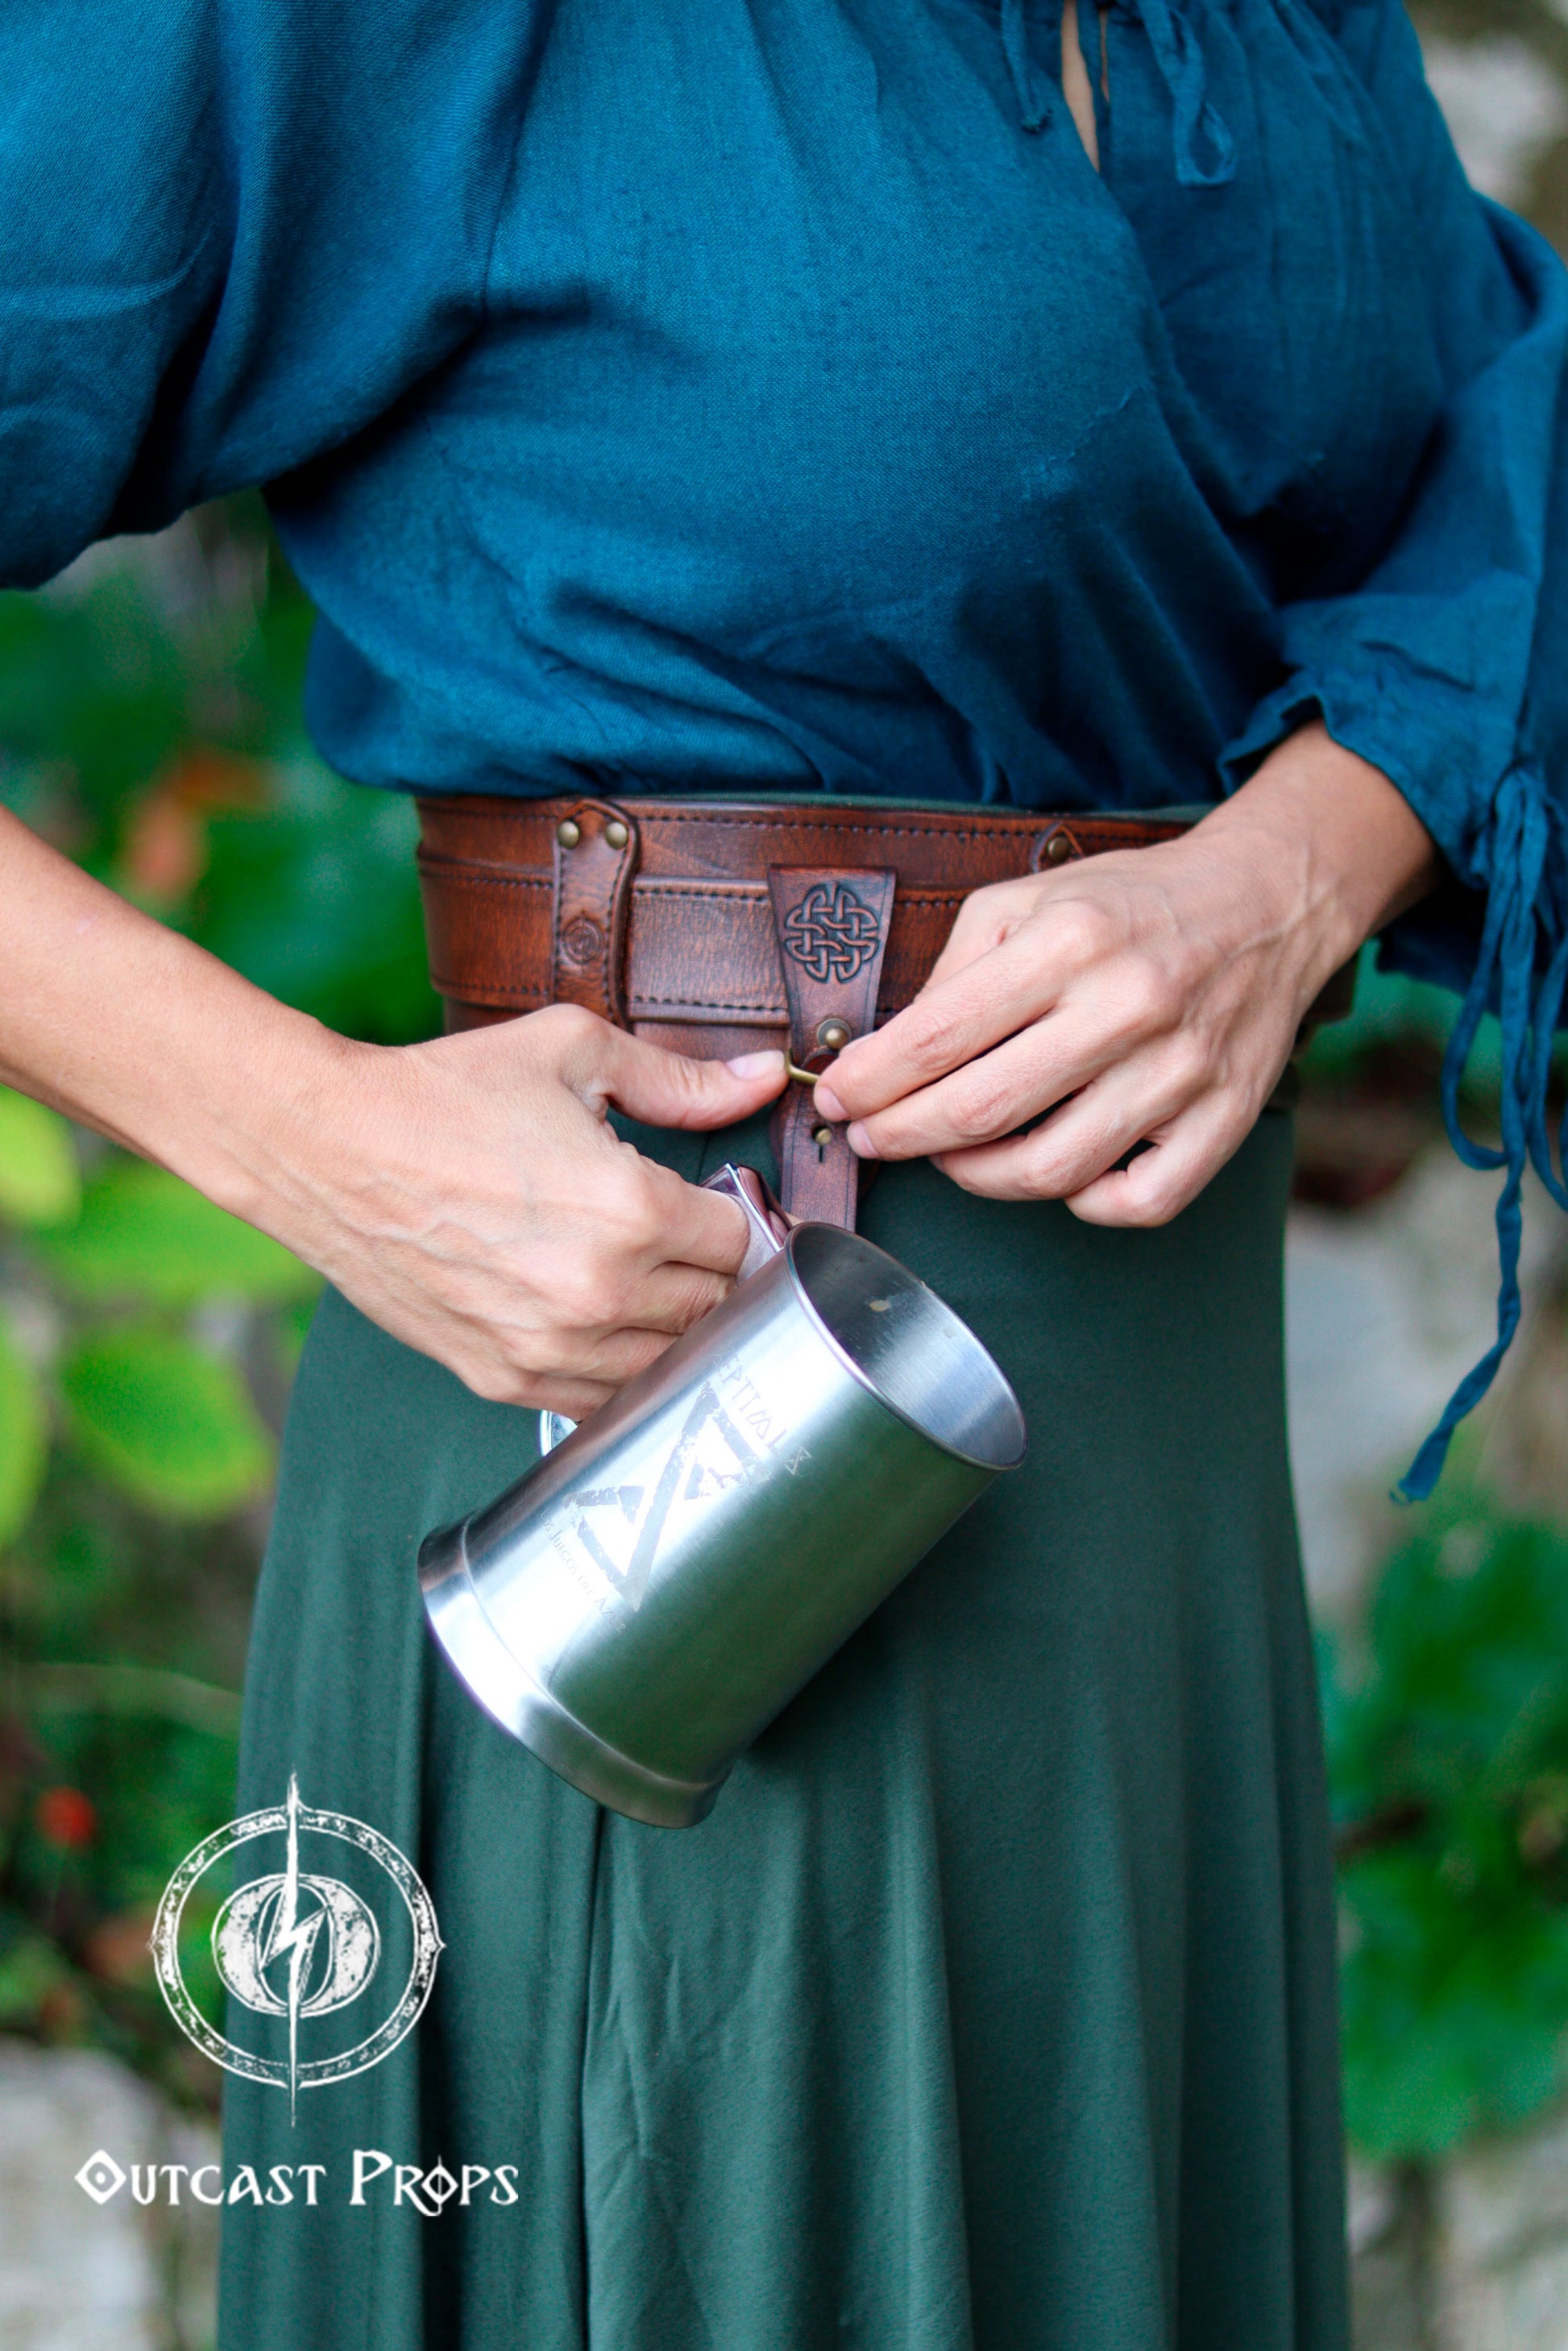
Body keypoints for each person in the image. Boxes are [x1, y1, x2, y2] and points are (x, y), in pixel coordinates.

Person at [2, 0, 1566, 2341]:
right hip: (642, 1457)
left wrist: (1295, 872)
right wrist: (309, 1141)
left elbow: (1507, 452)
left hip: (1146, 1505)